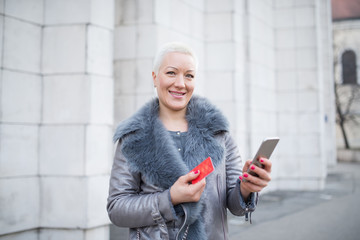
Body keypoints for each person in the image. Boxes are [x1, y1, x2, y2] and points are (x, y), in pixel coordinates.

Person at [107, 42, 272, 240]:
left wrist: (246, 188)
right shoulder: (133, 137)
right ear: (154, 77)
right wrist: (169, 199)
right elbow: (117, 208)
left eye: (189, 75)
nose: (180, 83)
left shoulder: (219, 134)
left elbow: (236, 207)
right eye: (171, 73)